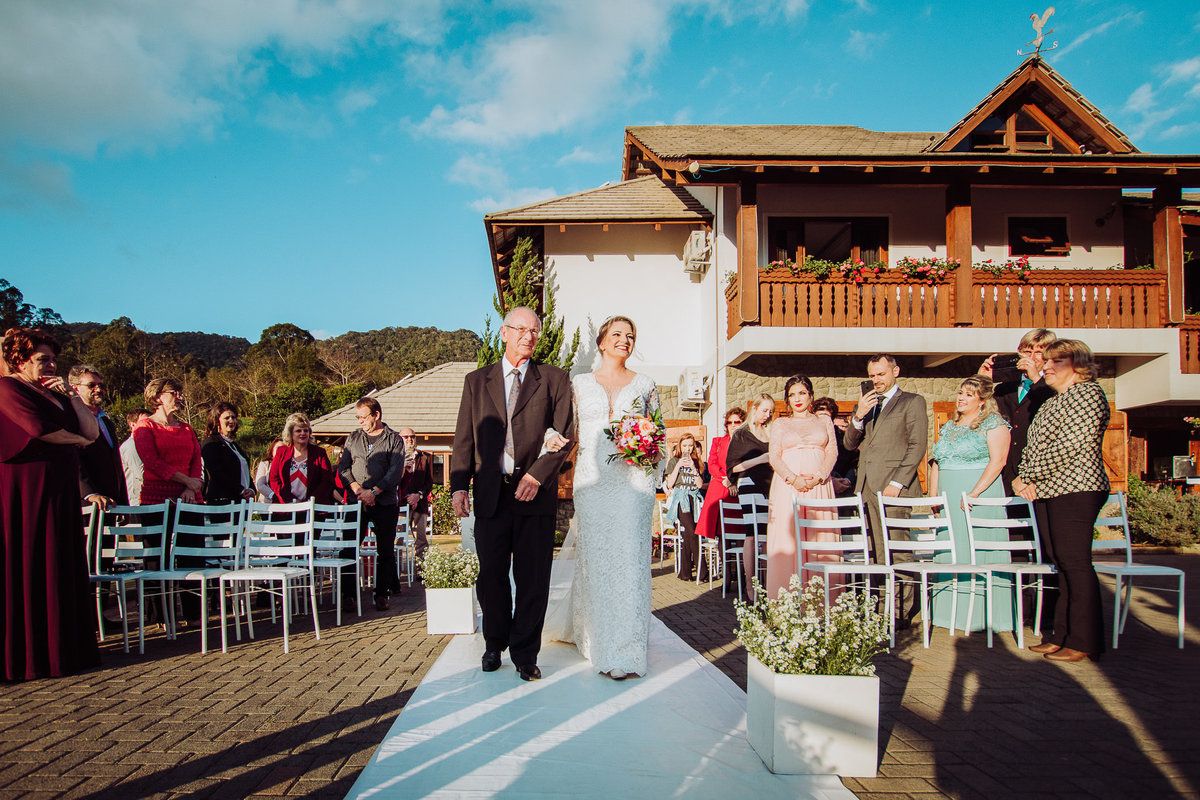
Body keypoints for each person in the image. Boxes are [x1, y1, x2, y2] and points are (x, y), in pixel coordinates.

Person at [450, 306, 573, 682]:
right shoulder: (477, 381)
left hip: (535, 496)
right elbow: (464, 438)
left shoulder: (553, 379)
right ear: (504, 333)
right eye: (521, 329)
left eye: (534, 331)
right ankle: (494, 644)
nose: (528, 336)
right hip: (491, 495)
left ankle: (525, 654)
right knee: (491, 577)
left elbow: (565, 436)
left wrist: (537, 475)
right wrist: (459, 485)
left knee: (533, 578)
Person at [558, 315, 659, 679]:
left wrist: (650, 453)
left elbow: (658, 431)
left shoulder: (645, 384)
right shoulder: (579, 383)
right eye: (617, 334)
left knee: (630, 560)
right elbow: (565, 430)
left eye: (630, 335)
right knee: (597, 558)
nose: (625, 340)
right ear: (601, 342)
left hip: (634, 480)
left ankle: (625, 649)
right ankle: (594, 636)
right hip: (592, 479)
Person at [0, 327, 101, 680]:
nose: (50, 365)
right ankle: (27, 656)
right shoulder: (7, 388)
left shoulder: (56, 394)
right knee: (30, 560)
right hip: (27, 488)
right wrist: (76, 441)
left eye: (53, 359)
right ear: (19, 360)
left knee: (59, 558)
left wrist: (73, 396)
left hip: (60, 488)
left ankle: (63, 650)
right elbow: (37, 428)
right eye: (42, 359)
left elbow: (92, 432)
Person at [1013, 340, 1111, 663]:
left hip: (1077, 488)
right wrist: (1024, 475)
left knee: (1075, 562)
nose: (1046, 367)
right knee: (1060, 562)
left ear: (1078, 364)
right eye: (1046, 361)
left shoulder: (1088, 395)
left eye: (1056, 361)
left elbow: (1070, 445)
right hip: (1049, 489)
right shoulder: (1053, 401)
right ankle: (1061, 635)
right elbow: (1032, 446)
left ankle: (1084, 641)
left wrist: (1029, 476)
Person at [927, 375, 1012, 632]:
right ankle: (948, 615)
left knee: (978, 549)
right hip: (948, 496)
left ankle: (984, 616)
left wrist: (975, 493)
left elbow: (998, 461)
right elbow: (938, 461)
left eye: (968, 394)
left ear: (982, 400)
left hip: (978, 495)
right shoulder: (949, 426)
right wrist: (933, 495)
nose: (961, 398)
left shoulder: (994, 424)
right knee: (952, 548)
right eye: (960, 393)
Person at [843, 354, 928, 564]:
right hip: (866, 487)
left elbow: (917, 446)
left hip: (894, 487)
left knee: (898, 551)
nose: (876, 380)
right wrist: (858, 416)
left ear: (895, 371)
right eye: (872, 376)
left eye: (881, 374)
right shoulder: (864, 406)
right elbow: (849, 445)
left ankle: (904, 588)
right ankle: (879, 589)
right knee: (874, 552)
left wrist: (897, 483)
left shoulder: (912, 401)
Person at [765, 376, 839, 600]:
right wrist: (793, 478)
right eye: (792, 395)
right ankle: (786, 602)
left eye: (802, 393)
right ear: (787, 400)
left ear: (811, 396)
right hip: (788, 487)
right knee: (788, 540)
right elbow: (774, 456)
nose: (797, 399)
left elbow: (832, 451)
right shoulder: (781, 424)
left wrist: (819, 477)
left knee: (820, 538)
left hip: (819, 487)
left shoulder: (824, 421)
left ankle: (822, 603)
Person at [338, 397, 406, 610]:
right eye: (358, 417)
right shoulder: (353, 437)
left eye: (364, 417)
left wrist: (375, 491)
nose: (360, 421)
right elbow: (343, 467)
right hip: (356, 500)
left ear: (376, 415)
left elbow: (395, 471)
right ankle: (348, 595)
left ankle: (382, 594)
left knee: (385, 550)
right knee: (348, 548)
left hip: (384, 502)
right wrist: (357, 489)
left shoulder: (394, 439)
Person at [980, 328, 1056, 494]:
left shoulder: (1054, 385)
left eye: (1038, 352)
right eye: (1027, 352)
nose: (1031, 357)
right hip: (1005, 467)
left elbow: (1053, 407)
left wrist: (1036, 378)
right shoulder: (1004, 388)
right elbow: (983, 415)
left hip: (1036, 470)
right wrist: (983, 381)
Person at [726, 393, 775, 599]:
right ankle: (750, 584)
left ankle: (769, 583)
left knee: (770, 534)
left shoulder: (771, 432)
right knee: (753, 533)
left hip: (770, 485)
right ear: (754, 409)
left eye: (770, 411)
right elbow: (734, 466)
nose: (767, 415)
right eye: (764, 410)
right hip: (749, 483)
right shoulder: (741, 434)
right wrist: (761, 459)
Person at [695, 407, 745, 588]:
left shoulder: (747, 442)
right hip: (721, 487)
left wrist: (735, 482)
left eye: (737, 422)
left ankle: (742, 574)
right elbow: (713, 464)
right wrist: (725, 480)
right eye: (729, 422)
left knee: (742, 533)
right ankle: (727, 575)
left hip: (739, 488)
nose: (733, 425)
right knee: (723, 534)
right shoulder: (718, 441)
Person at [132, 377, 203, 504]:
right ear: (157, 397)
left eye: (180, 394)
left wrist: (191, 488)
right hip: (157, 498)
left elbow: (196, 459)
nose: (180, 397)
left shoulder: (187, 428)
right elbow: (152, 461)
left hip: (190, 497)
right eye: (174, 393)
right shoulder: (145, 426)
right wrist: (187, 481)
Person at [69, 365, 128, 509]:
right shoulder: (71, 419)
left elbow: (115, 463)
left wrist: (123, 503)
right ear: (75, 388)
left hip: (111, 504)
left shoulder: (106, 422)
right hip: (85, 505)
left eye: (101, 385)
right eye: (91, 385)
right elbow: (71, 459)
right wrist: (89, 494)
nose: (98, 389)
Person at [664, 433, 707, 582]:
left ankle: (685, 573)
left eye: (690, 445)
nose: (687, 449)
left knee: (688, 535)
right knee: (692, 532)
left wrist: (694, 469)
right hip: (681, 498)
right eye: (684, 446)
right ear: (679, 446)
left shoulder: (697, 462)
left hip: (694, 498)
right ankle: (703, 571)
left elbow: (700, 484)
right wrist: (679, 465)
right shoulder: (674, 461)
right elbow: (670, 483)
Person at [270, 413, 335, 505]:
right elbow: (274, 479)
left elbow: (327, 481)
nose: (303, 433)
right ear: (291, 433)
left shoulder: (319, 453)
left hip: (313, 506)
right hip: (285, 506)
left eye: (306, 430)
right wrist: (291, 500)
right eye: (298, 431)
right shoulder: (281, 452)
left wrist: (309, 502)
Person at [200, 402, 256, 504]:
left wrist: (251, 490)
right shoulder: (211, 443)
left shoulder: (234, 445)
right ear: (217, 421)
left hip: (241, 501)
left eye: (233, 417)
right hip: (222, 502)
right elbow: (216, 473)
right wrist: (240, 490)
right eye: (227, 418)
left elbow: (245, 472)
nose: (231, 420)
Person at [398, 427, 435, 564]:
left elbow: (429, 482)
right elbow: (393, 481)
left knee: (421, 539)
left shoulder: (425, 457)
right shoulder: (395, 458)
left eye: (412, 436)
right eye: (406, 437)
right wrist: (407, 497)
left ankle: (421, 569)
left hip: (420, 505)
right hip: (400, 505)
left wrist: (418, 496)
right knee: (397, 539)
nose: (410, 439)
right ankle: (395, 570)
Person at [813, 396, 855, 496]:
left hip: (841, 490)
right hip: (814, 487)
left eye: (826, 417)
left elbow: (855, 463)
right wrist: (830, 482)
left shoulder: (843, 439)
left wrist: (847, 480)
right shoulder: (805, 438)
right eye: (819, 417)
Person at [120, 408, 151, 505]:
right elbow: (141, 474)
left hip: (149, 500)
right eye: (145, 422)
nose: (149, 425)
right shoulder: (131, 446)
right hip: (137, 503)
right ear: (132, 425)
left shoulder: (148, 444)